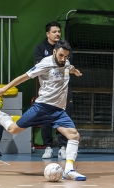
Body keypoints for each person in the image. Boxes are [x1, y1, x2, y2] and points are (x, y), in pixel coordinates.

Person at [0, 40, 86, 181]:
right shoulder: (45, 64)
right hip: (42, 107)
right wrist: (4, 89)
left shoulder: (65, 62)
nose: (63, 59)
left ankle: (69, 170)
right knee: (13, 129)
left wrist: (74, 70)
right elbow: (23, 77)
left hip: (58, 111)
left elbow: (68, 67)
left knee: (74, 136)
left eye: (66, 56)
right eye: (61, 55)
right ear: (54, 52)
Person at [34, 21, 73, 159]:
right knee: (46, 117)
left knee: (64, 116)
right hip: (47, 91)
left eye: (59, 31)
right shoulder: (40, 48)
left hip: (63, 90)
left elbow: (68, 65)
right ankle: (48, 147)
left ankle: (63, 147)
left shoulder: (64, 47)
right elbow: (39, 66)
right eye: (54, 32)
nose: (57, 34)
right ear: (47, 34)